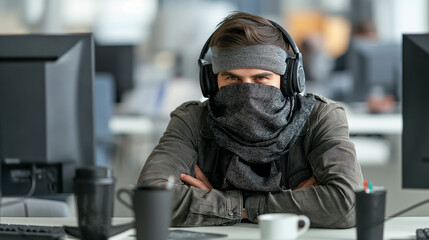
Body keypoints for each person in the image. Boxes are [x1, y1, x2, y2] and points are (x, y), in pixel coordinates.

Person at [138, 11, 363, 228]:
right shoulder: (191, 120)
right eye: (232, 78)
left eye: (261, 78)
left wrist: (235, 206)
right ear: (212, 82)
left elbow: (347, 203)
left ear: (289, 81)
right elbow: (150, 200)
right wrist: (282, 205)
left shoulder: (320, 118)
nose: (247, 91)